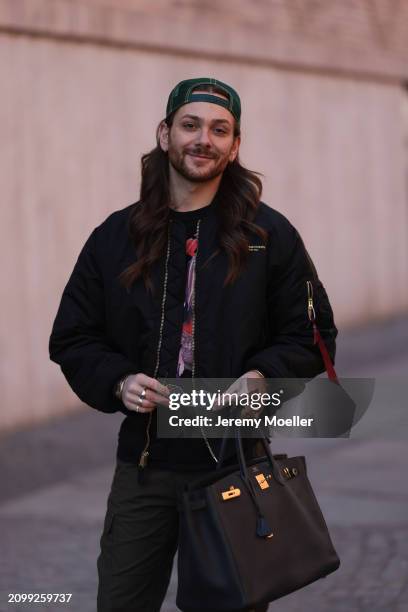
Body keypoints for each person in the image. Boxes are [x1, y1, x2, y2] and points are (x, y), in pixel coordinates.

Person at [49, 77, 337, 612]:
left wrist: (262, 378)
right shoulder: (116, 237)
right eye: (190, 124)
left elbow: (313, 335)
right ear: (165, 134)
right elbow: (73, 335)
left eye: (218, 129)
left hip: (235, 462)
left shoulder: (269, 236)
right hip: (145, 464)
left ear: (234, 145)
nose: (203, 138)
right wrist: (118, 380)